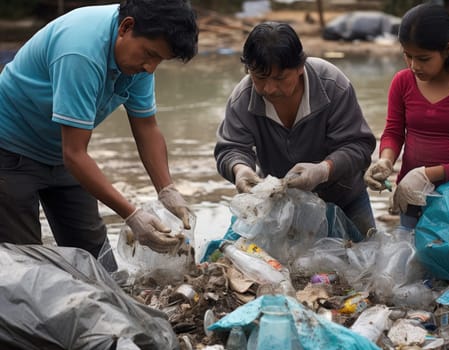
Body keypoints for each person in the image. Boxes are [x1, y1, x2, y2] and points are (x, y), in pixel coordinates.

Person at [0, 0, 198, 269]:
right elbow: (75, 153)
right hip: (10, 150)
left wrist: (167, 189)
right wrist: (132, 215)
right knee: (27, 268)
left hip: (61, 150)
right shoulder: (80, 52)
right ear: (126, 28)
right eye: (150, 55)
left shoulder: (136, 56)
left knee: (98, 261)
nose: (150, 68)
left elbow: (146, 127)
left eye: (159, 60)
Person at [214, 22, 377, 238]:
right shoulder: (242, 97)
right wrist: (240, 169)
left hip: (345, 198)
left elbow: (359, 146)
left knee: (366, 259)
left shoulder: (332, 84)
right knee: (283, 267)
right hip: (282, 207)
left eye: (280, 78)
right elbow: (231, 148)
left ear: (300, 66)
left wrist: (323, 170)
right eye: (259, 78)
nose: (269, 88)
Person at [364, 3, 449, 228]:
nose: (414, 66)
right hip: (412, 195)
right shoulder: (402, 82)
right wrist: (386, 159)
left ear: (447, 50)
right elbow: (394, 132)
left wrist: (427, 175)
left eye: (423, 59)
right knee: (412, 254)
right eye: (408, 56)